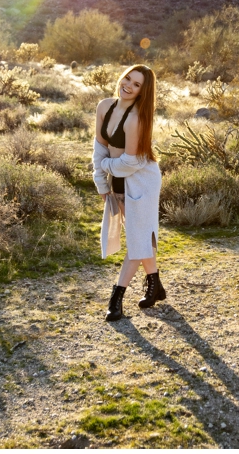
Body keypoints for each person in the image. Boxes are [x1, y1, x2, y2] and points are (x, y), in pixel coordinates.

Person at [92, 64, 165, 321]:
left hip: (141, 179)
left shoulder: (135, 118)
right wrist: (103, 184)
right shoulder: (105, 106)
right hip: (120, 177)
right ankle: (155, 285)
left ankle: (116, 298)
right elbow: (99, 148)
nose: (128, 86)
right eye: (128, 79)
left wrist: (106, 167)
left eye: (136, 85)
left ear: (142, 93)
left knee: (137, 238)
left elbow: (131, 163)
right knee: (141, 234)